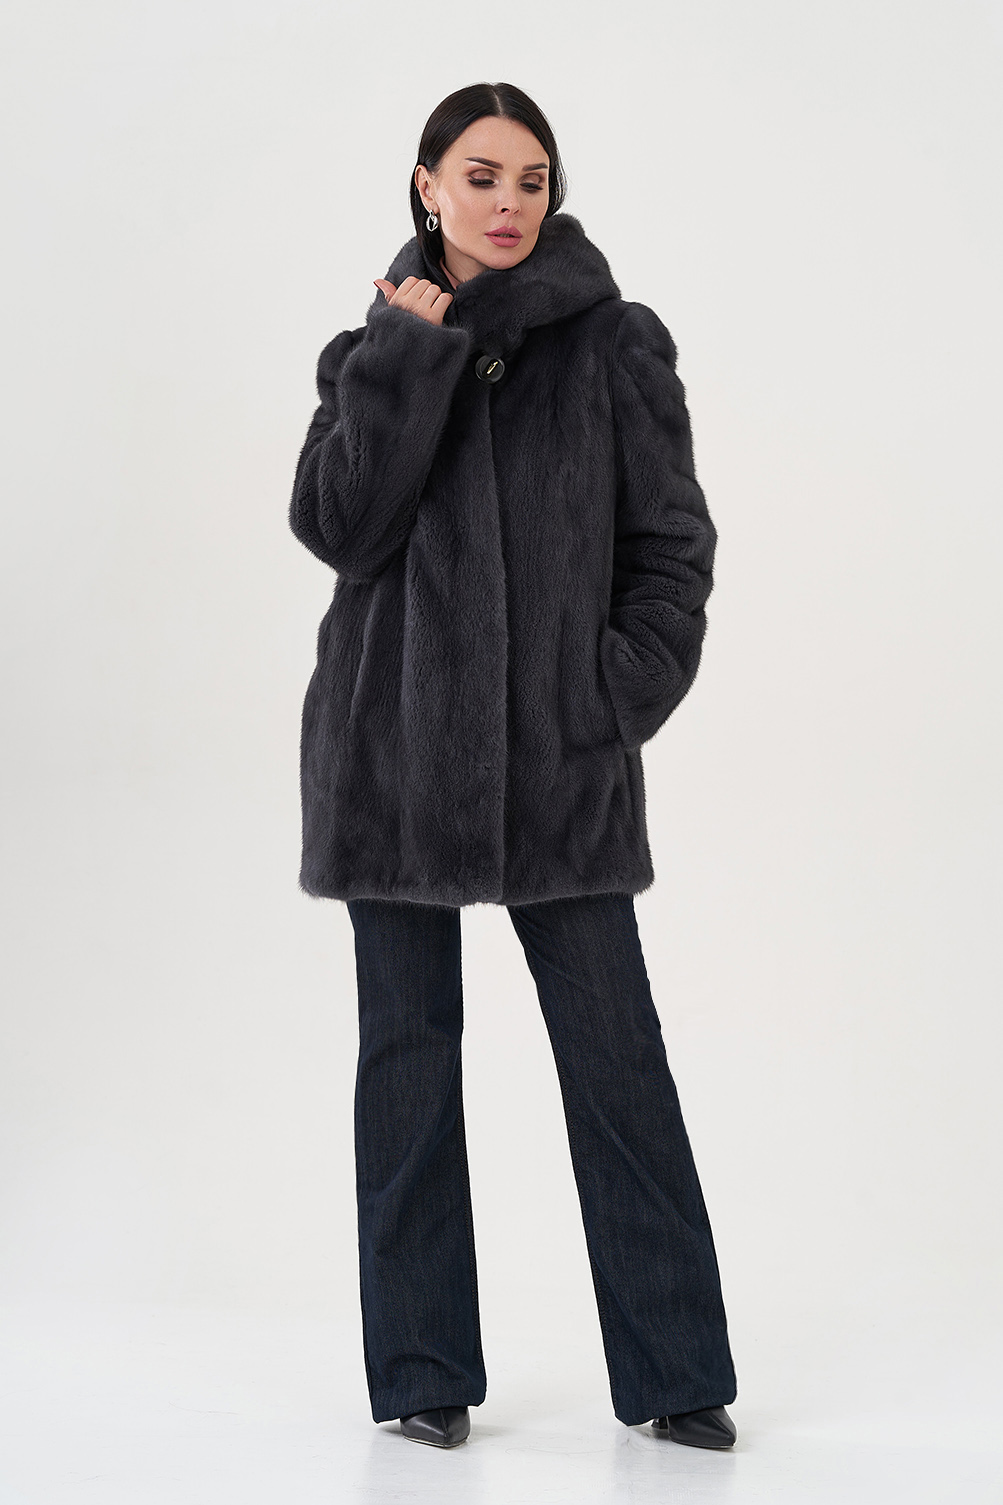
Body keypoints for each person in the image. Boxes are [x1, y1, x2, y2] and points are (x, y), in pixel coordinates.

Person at [288, 81, 738, 1452]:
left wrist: (612, 696)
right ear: (427, 184)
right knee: (405, 1066)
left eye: (531, 179)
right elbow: (340, 529)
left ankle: (677, 1369)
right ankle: (421, 1369)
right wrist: (403, 355)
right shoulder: (369, 351)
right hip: (392, 755)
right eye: (480, 175)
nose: (508, 202)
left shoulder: (613, 344)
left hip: (561, 762)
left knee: (616, 1060)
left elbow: (672, 546)